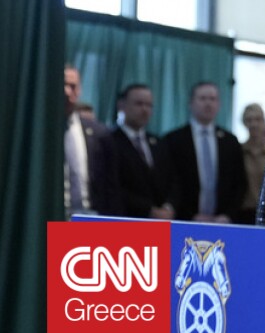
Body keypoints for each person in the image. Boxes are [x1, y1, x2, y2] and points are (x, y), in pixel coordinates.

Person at [161, 81, 247, 223]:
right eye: (202, 98)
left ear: (219, 104)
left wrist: (228, 215)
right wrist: (189, 215)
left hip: (222, 222)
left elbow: (240, 183)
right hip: (183, 221)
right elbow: (169, 182)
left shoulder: (230, 141)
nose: (208, 104)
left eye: (213, 99)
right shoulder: (173, 140)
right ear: (191, 103)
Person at [107, 84, 173, 220]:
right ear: (121, 105)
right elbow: (112, 186)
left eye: (149, 105)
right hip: (125, 220)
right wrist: (148, 210)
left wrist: (169, 207)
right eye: (139, 104)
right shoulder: (109, 141)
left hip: (160, 222)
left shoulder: (158, 142)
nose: (144, 109)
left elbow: (172, 180)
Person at [63, 65, 118, 216]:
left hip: (89, 217)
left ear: (79, 90)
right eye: (63, 85)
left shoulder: (99, 133)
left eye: (72, 86)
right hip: (50, 217)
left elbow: (111, 185)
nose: (67, 91)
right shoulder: (37, 131)